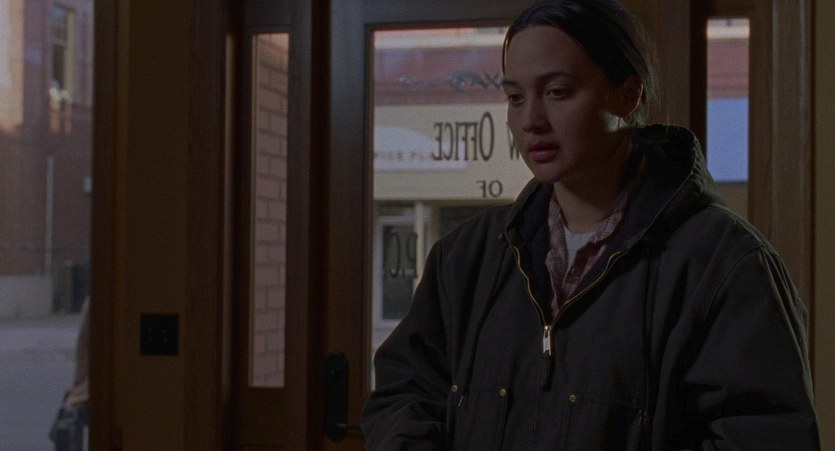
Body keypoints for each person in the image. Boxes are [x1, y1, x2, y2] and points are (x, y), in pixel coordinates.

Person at [361, 0, 821, 449]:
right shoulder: (468, 257)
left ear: (627, 94)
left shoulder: (724, 264)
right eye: (515, 97)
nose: (531, 120)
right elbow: (405, 393)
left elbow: (765, 431)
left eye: (558, 92)